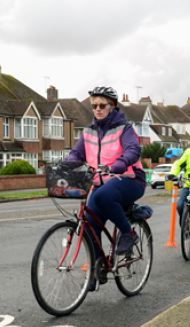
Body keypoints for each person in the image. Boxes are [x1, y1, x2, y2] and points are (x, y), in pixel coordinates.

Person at [65, 86, 145, 288]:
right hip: (101, 181)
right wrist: (66, 164)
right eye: (94, 105)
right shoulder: (88, 132)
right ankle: (95, 272)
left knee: (102, 197)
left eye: (102, 105)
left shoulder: (124, 129)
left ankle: (129, 234)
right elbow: (77, 154)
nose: (98, 109)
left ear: (112, 106)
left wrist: (121, 162)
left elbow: (133, 149)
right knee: (89, 223)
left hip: (130, 178)